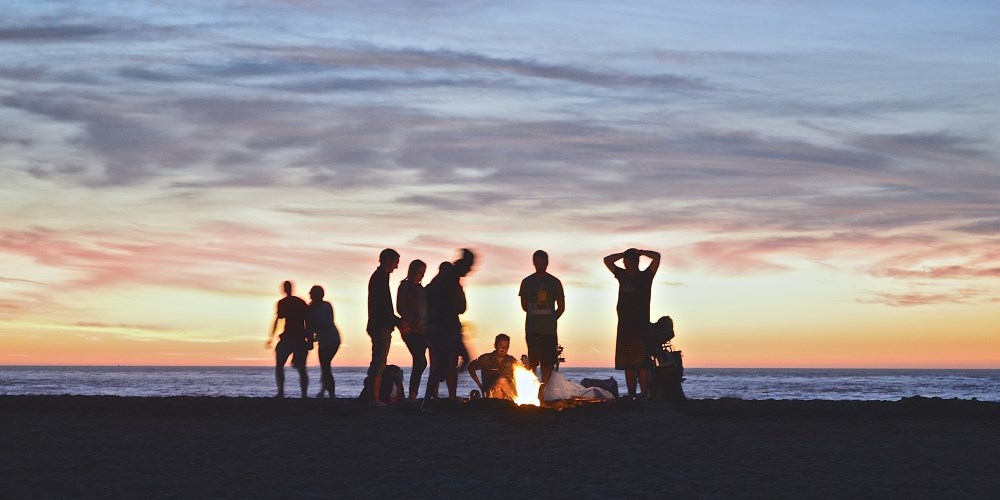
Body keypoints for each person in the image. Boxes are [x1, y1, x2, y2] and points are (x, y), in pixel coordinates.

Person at [422, 249, 475, 411]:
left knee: (462, 360)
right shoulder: (449, 279)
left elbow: (459, 307)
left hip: (447, 328)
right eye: (470, 267)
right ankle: (427, 402)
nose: (471, 270)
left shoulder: (450, 279)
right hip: (444, 329)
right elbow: (460, 307)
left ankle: (430, 399)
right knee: (442, 368)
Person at [604, 248, 661, 399]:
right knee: (627, 365)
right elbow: (607, 260)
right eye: (625, 262)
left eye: (629, 261)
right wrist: (623, 254)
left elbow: (657, 257)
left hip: (640, 326)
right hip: (624, 326)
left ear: (636, 262)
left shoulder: (646, 276)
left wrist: (641, 252)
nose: (627, 264)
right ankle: (631, 395)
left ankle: (644, 395)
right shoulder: (622, 275)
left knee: (642, 364)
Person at [518, 250, 565, 386]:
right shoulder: (526, 282)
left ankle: (543, 392)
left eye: (543, 262)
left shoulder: (555, 282)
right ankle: (532, 390)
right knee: (532, 362)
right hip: (532, 329)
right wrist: (537, 313)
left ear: (547, 263)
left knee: (548, 363)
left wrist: (551, 319)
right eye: (537, 262)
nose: (540, 265)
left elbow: (561, 307)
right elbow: (524, 305)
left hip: (549, 331)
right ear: (534, 263)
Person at [366, 248, 404, 406]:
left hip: (379, 323)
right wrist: (397, 321)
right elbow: (383, 306)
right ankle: (373, 399)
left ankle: (373, 397)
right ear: (388, 260)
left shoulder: (380, 277)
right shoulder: (380, 277)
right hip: (380, 325)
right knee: (379, 362)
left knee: (378, 361)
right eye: (395, 263)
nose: (396, 267)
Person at [265, 280, 309, 398]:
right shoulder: (299, 302)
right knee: (297, 368)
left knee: (285, 366)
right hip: (294, 337)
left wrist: (271, 337)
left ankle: (284, 392)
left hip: (294, 338)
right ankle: (293, 393)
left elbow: (307, 321)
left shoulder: (287, 302)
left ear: (284, 289)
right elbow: (307, 321)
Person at [397, 259, 428, 400]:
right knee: (421, 361)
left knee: (420, 361)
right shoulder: (404, 286)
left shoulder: (422, 289)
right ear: (413, 271)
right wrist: (412, 319)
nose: (421, 275)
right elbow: (400, 308)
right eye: (419, 272)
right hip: (410, 329)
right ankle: (412, 393)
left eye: (423, 273)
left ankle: (414, 394)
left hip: (423, 330)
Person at [306, 285, 341, 398]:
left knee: (325, 366)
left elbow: (328, 322)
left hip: (332, 339)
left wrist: (314, 335)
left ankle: (331, 393)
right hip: (323, 340)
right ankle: (324, 390)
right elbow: (309, 327)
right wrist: (311, 339)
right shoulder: (310, 309)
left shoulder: (326, 306)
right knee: (325, 366)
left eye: (311, 293)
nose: (309, 295)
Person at [467, 333, 518, 400]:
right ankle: (517, 401)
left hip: (507, 395)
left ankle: (516, 400)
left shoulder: (511, 360)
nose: (504, 349)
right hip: (491, 394)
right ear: (495, 346)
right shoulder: (486, 359)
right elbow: (470, 367)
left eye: (506, 347)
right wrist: (480, 386)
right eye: (501, 346)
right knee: (502, 380)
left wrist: (526, 364)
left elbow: (523, 371)